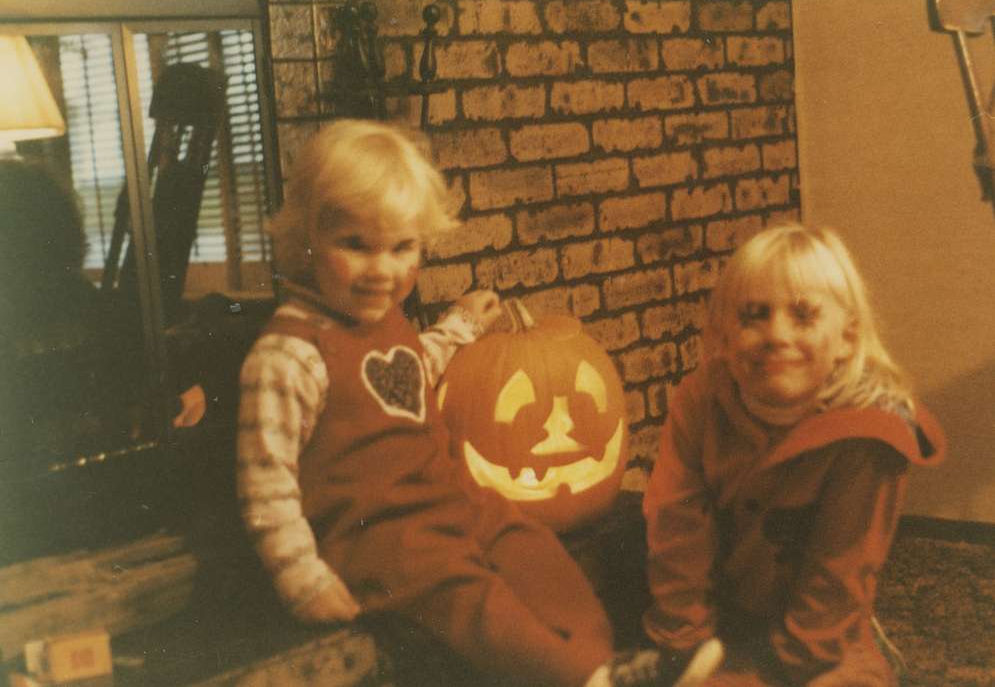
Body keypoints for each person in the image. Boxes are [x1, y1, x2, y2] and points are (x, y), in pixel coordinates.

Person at [236, 119, 723, 687]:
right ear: (307, 240)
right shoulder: (289, 354)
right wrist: (303, 577)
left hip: (448, 498)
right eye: (355, 246)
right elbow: (264, 480)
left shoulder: (382, 321)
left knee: (529, 546)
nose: (382, 270)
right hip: (374, 536)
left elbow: (405, 372)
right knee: (467, 592)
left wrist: (460, 326)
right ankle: (580, 678)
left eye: (402, 248)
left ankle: (595, 665)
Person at [641, 224, 946, 686]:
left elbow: (836, 583)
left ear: (847, 337)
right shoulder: (699, 400)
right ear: (723, 335)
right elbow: (676, 527)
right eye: (753, 316)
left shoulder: (870, 437)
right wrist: (686, 648)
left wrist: (756, 676)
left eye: (803, 316)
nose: (776, 334)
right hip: (719, 618)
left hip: (819, 637)